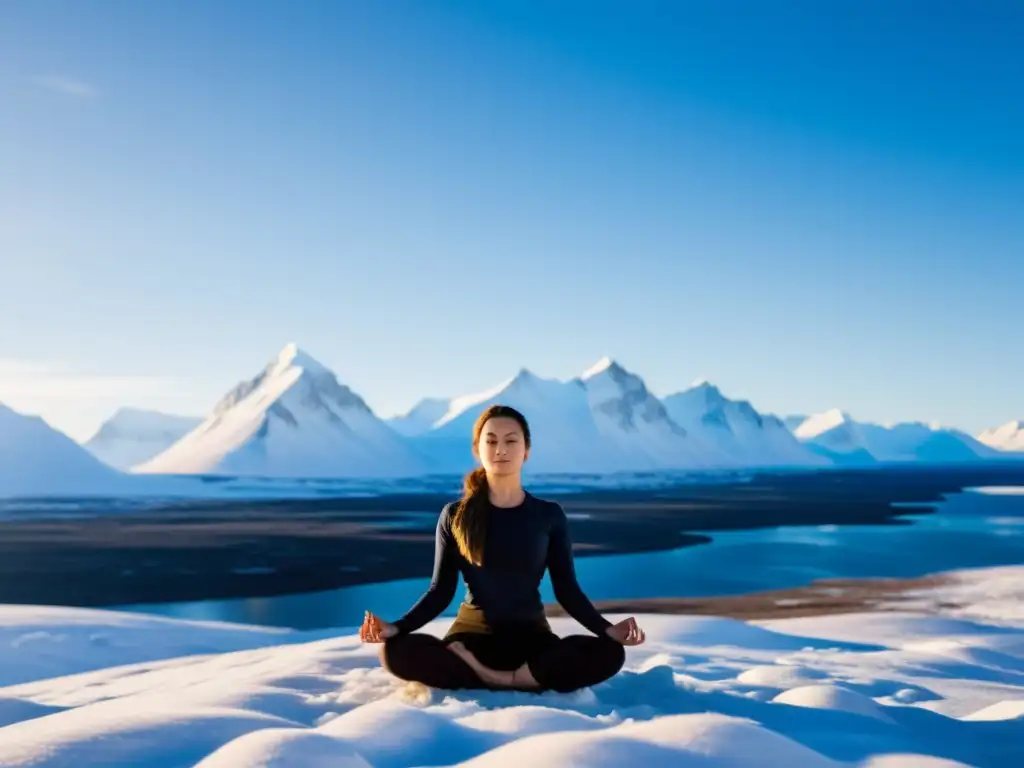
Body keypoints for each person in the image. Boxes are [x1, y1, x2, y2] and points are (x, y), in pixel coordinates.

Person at [359, 404, 645, 694]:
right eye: (491, 441)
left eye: (511, 441)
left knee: (611, 653)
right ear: (477, 449)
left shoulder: (548, 515)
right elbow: (440, 591)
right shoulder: (454, 515)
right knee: (394, 651)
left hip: (533, 643)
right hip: (471, 640)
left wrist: (606, 630)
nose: (501, 450)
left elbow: (567, 589)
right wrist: (398, 628)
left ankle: (486, 677)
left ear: (526, 450)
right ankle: (520, 679)